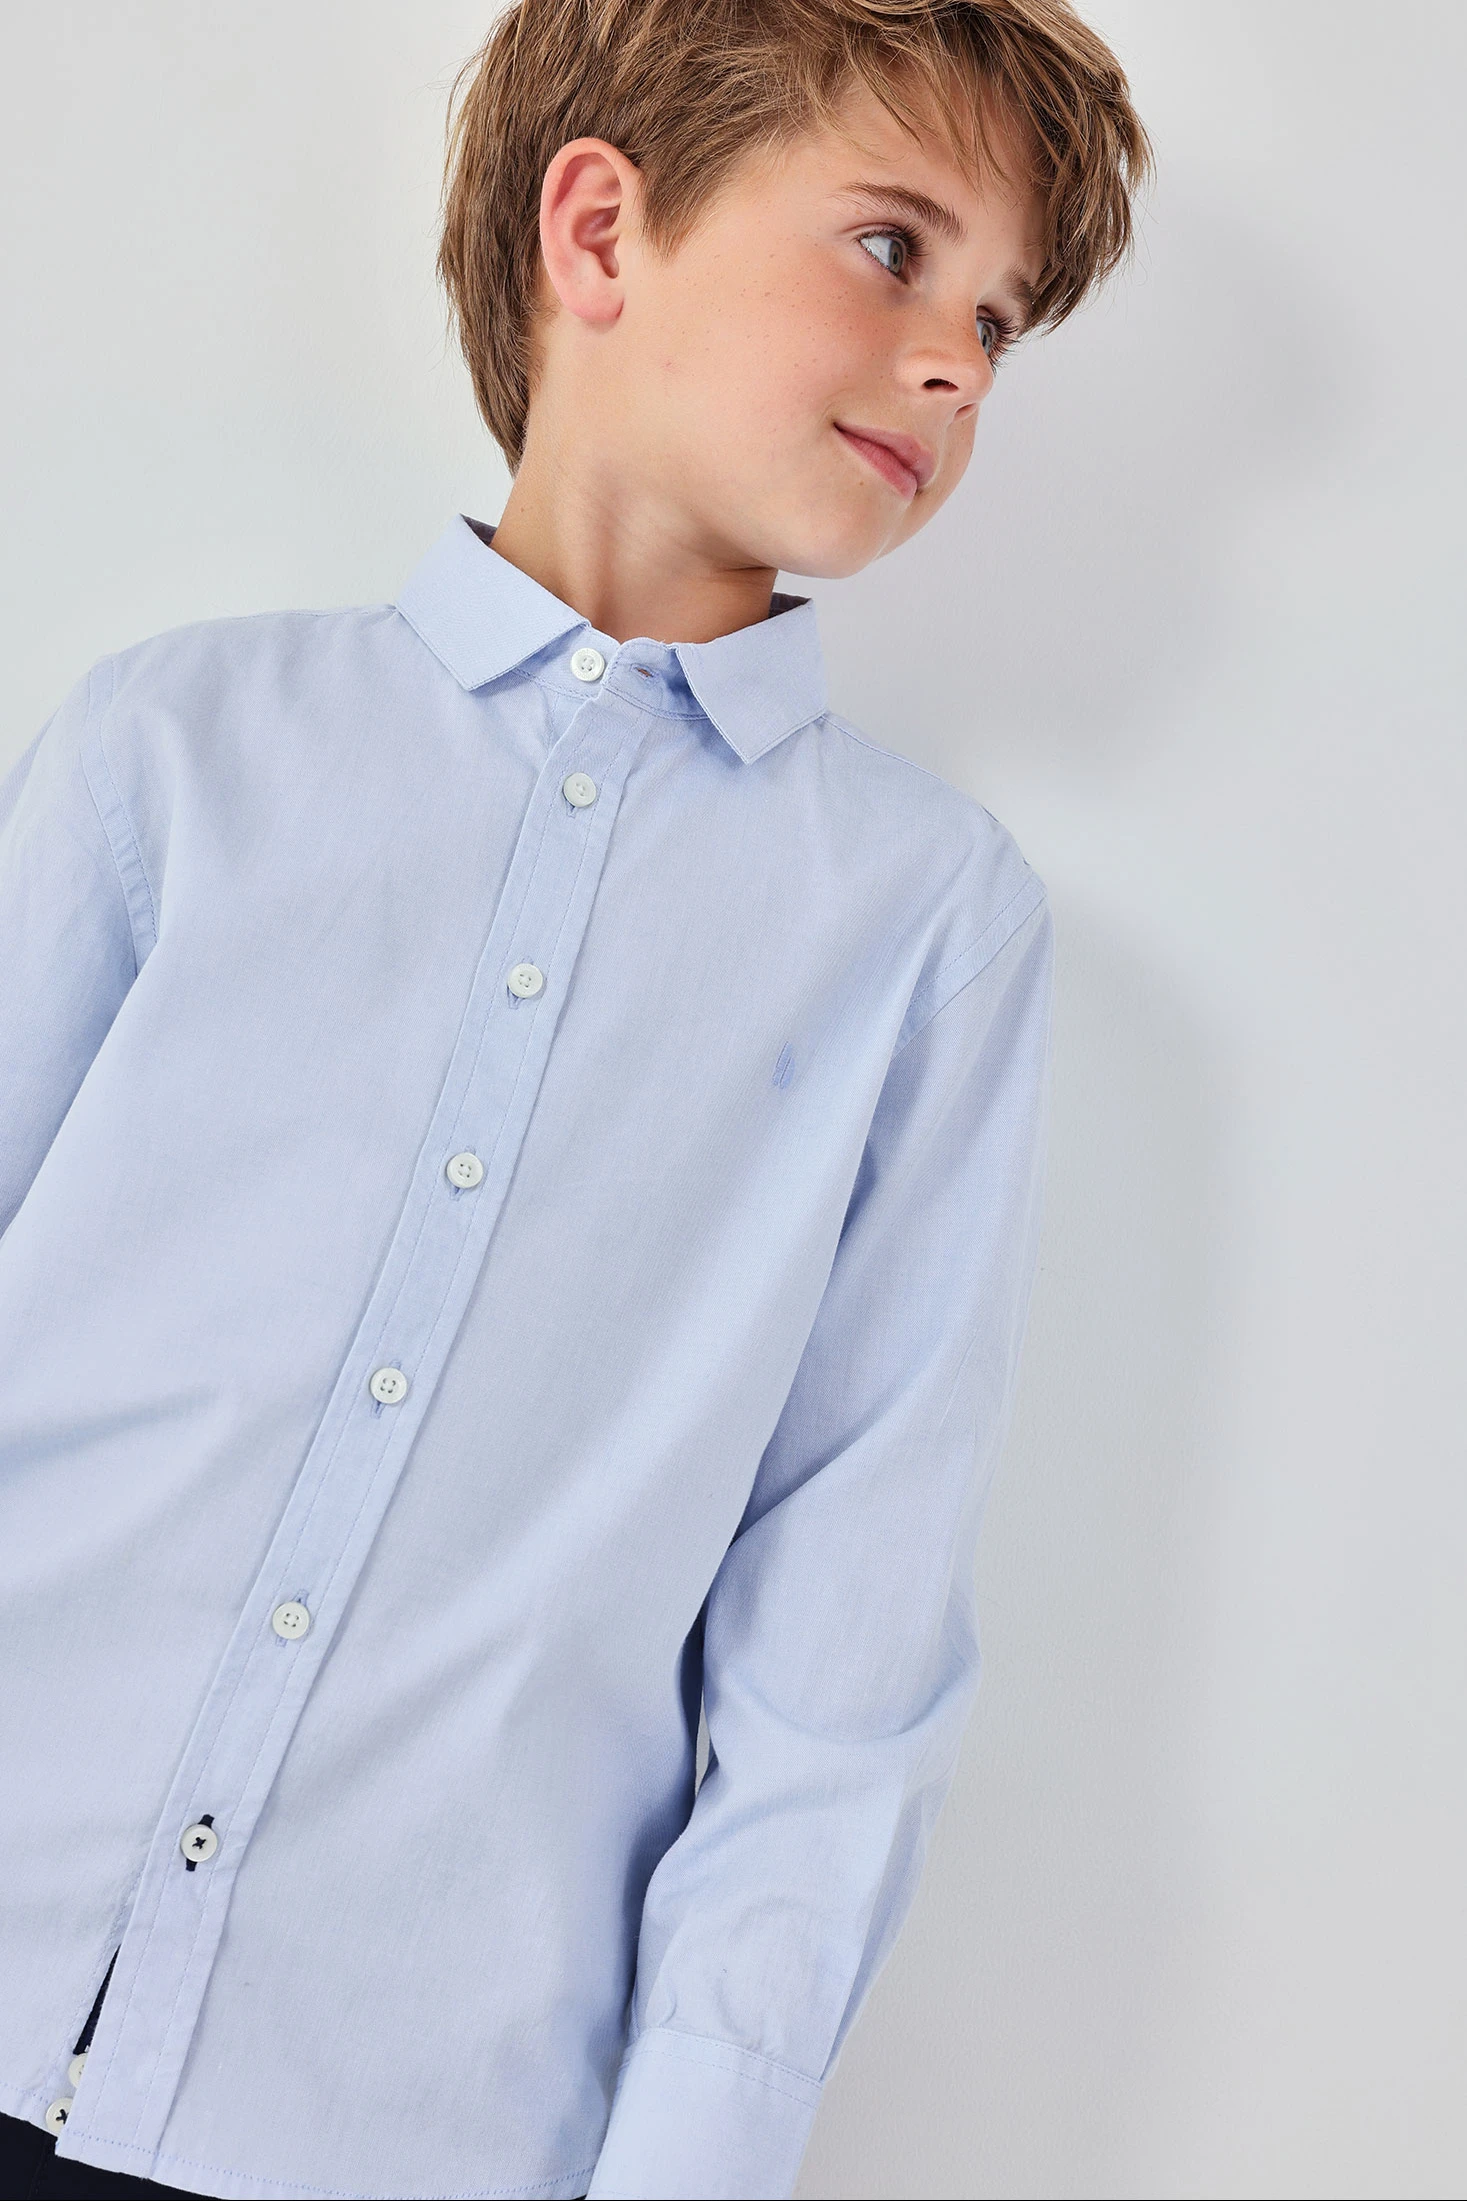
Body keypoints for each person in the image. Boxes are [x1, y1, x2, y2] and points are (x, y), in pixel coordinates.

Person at [0, 4, 1148, 2196]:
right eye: (896, 249)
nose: (960, 366)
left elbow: (841, 1645)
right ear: (599, 229)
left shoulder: (920, 929)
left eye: (1001, 320)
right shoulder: (176, 755)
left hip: (385, 2131)